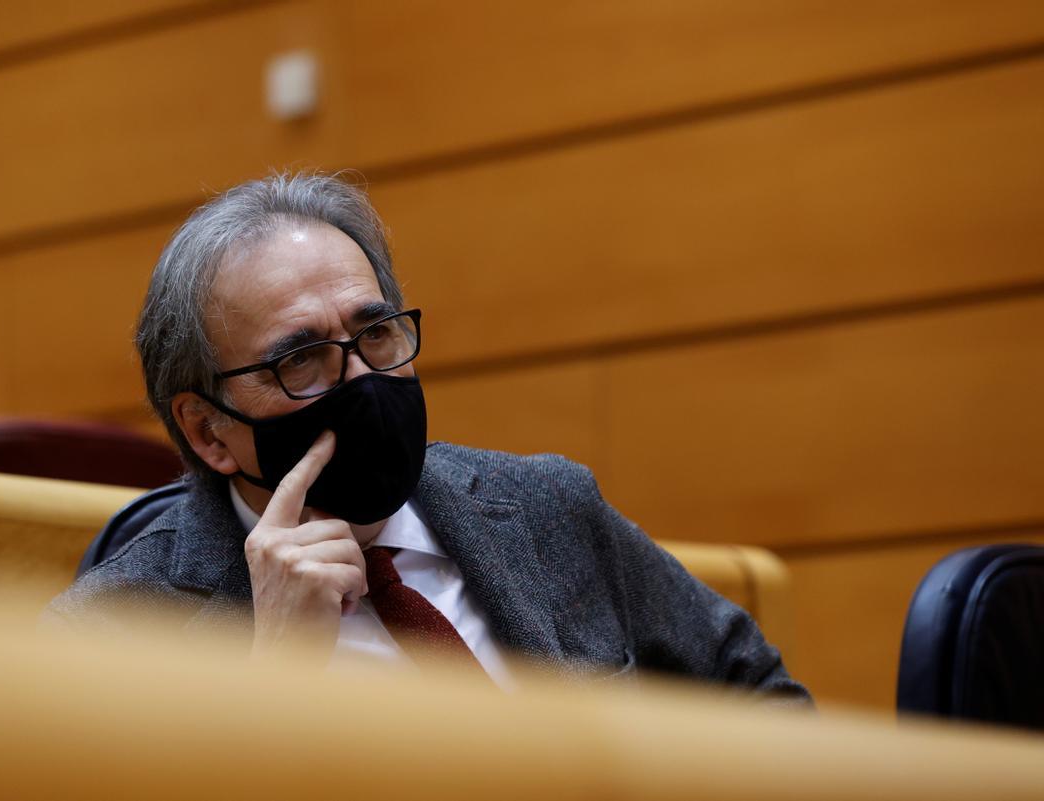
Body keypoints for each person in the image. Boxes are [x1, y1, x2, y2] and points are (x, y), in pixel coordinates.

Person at [46, 172, 809, 700]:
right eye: (302, 358)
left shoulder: (549, 509)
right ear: (209, 431)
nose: (359, 381)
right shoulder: (115, 632)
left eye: (376, 332)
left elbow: (757, 694)